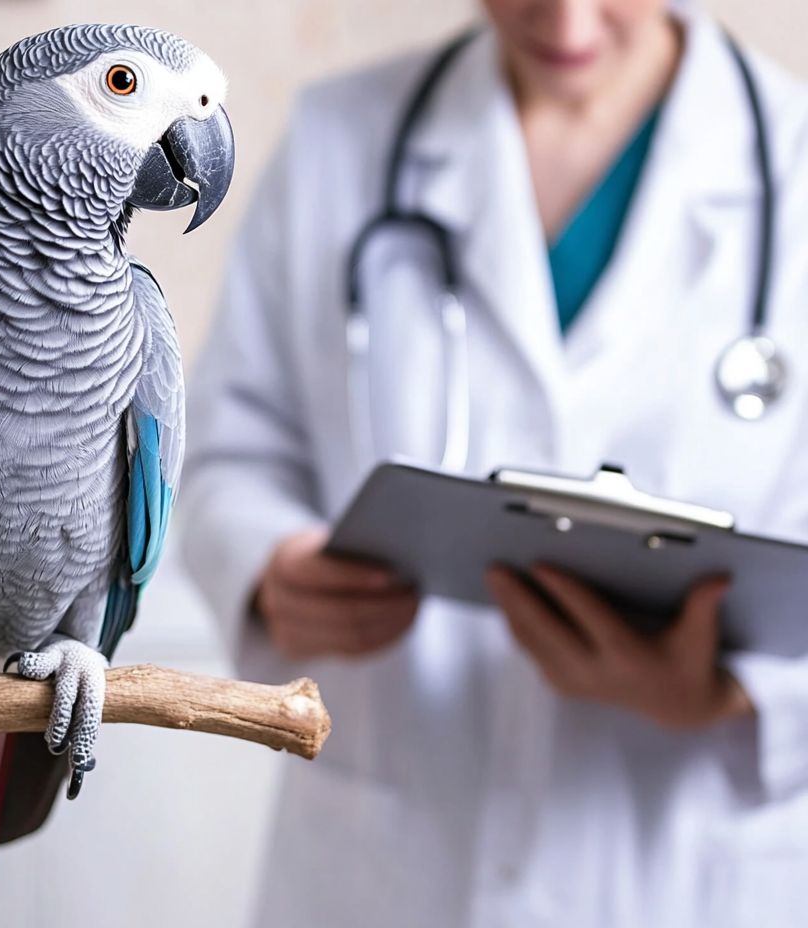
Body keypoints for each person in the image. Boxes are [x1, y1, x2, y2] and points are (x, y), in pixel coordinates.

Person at [180, 1, 808, 925]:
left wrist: (725, 692)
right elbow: (230, 451)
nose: (565, 19)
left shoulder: (795, 170)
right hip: (389, 866)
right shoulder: (338, 143)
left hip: (683, 869)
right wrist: (273, 571)